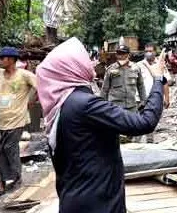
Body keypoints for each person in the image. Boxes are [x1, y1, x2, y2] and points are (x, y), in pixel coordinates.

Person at [36, 37, 166, 213]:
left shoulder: (62, 104)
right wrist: (158, 79)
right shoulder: (85, 105)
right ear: (73, 67)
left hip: (74, 197)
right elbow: (145, 123)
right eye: (85, 59)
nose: (91, 63)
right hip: (98, 203)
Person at [0, 46, 38, 196]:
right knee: (2, 148)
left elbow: (39, 87)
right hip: (2, 118)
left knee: (9, 147)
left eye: (2, 58)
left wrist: (31, 102)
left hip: (18, 118)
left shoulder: (24, 75)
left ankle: (12, 179)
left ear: (11, 60)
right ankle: (5, 180)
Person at [100, 44, 147, 113]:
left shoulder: (136, 68)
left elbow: (141, 86)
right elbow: (105, 89)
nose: (120, 56)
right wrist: (102, 105)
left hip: (132, 107)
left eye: (123, 54)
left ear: (128, 55)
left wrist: (143, 101)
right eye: (118, 54)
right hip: (115, 107)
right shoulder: (111, 69)